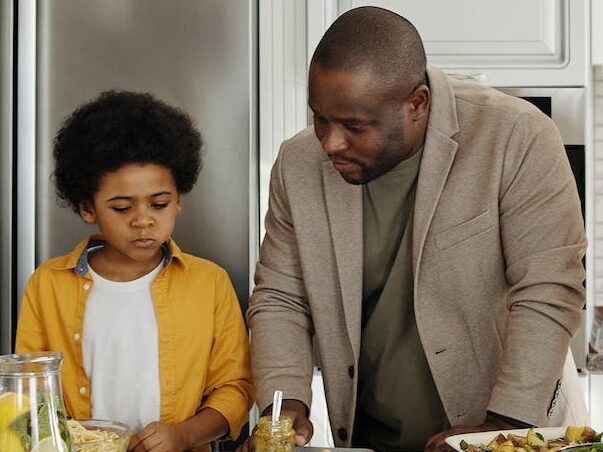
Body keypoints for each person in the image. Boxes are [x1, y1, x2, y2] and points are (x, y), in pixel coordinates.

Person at [244, 6, 587, 452]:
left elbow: (547, 289)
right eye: (320, 118)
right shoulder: (297, 164)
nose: (330, 142)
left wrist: (500, 431)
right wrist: (284, 407)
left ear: (417, 104)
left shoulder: (516, 137)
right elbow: (280, 297)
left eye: (353, 126)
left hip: (514, 429)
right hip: (371, 435)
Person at [15, 91, 253, 452]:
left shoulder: (210, 283)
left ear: (178, 200)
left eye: (159, 204)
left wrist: (185, 434)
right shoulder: (47, 285)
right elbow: (28, 392)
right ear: (87, 208)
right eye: (122, 208)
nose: (144, 220)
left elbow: (235, 388)